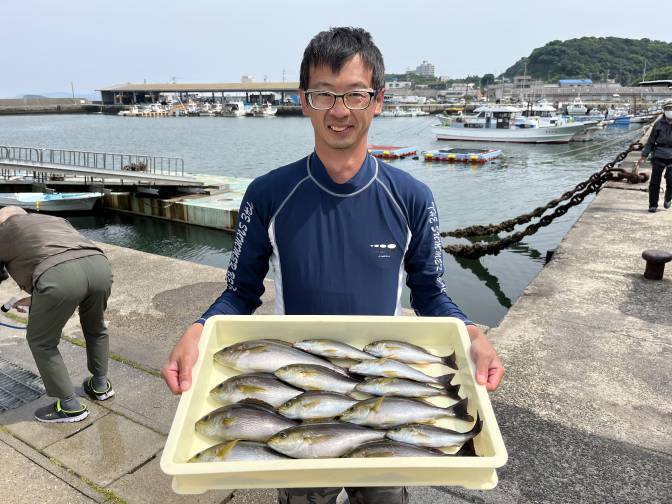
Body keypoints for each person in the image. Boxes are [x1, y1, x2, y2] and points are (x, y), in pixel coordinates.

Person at [162, 27, 504, 504]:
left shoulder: (412, 197)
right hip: (296, 392)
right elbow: (241, 291)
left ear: (378, 100)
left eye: (355, 94)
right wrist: (198, 330)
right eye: (324, 94)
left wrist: (471, 335)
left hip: (383, 385)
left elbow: (430, 293)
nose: (339, 111)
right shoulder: (268, 194)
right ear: (304, 101)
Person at [0, 206, 114, 423]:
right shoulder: (54, 219)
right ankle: (100, 385)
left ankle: (70, 406)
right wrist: (39, 297)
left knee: (41, 341)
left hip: (58, 278)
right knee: (95, 327)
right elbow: (63, 257)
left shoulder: (4, 230)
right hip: (99, 266)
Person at [638, 98, 672, 213]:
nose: (670, 110)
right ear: (664, 110)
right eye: (667, 108)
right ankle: (653, 204)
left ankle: (668, 197)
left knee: (671, 180)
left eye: (671, 108)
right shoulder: (658, 124)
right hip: (659, 155)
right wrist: (644, 156)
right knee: (654, 182)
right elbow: (650, 141)